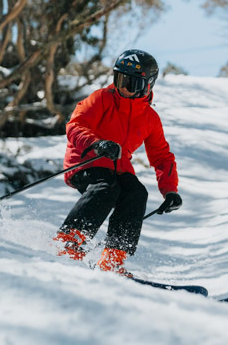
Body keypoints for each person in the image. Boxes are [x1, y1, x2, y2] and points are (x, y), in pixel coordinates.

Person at [52, 49, 182, 276]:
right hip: (86, 161)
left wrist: (170, 191)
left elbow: (162, 157)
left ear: (147, 85)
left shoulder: (150, 118)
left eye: (131, 83)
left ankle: (113, 259)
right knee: (107, 187)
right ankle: (69, 242)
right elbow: (76, 124)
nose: (123, 87)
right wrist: (96, 143)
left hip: (117, 167)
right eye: (119, 79)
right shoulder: (102, 98)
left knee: (137, 193)